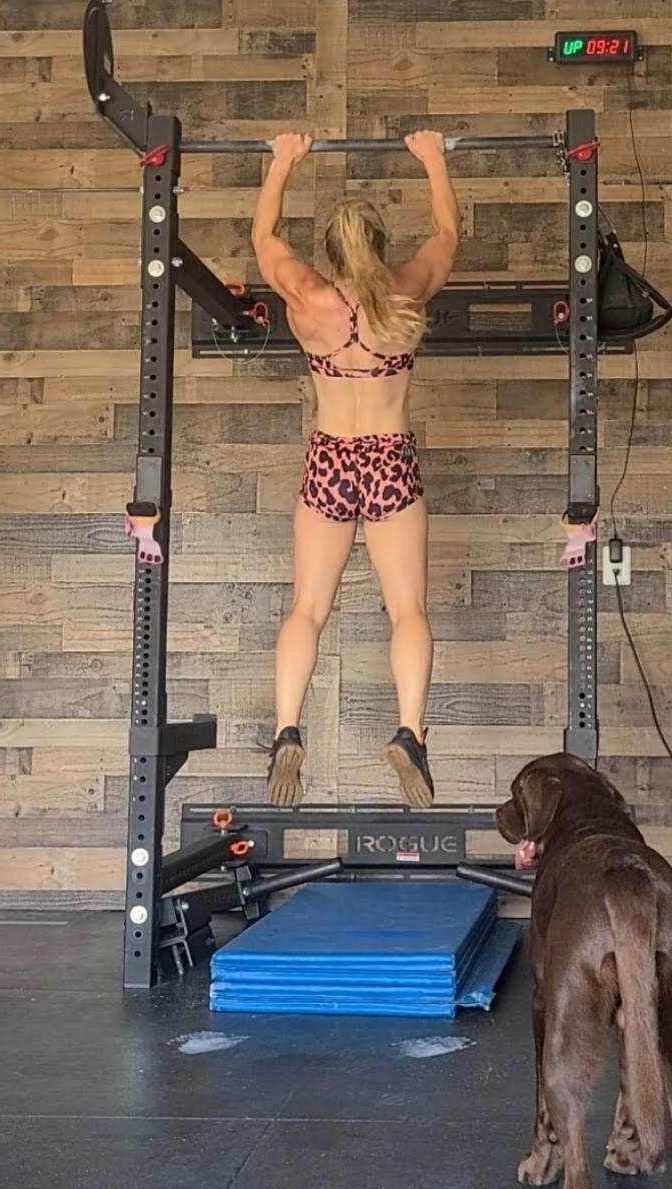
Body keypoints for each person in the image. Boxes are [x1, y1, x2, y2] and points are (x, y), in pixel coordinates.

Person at [251, 130, 459, 810]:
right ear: (377, 246)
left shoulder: (308, 299)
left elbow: (263, 236)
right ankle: (410, 732)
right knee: (408, 609)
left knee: (308, 608)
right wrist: (431, 158)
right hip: (389, 457)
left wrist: (282, 161)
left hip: (330, 458)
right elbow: (447, 233)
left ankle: (287, 729)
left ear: (333, 249)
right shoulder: (402, 296)